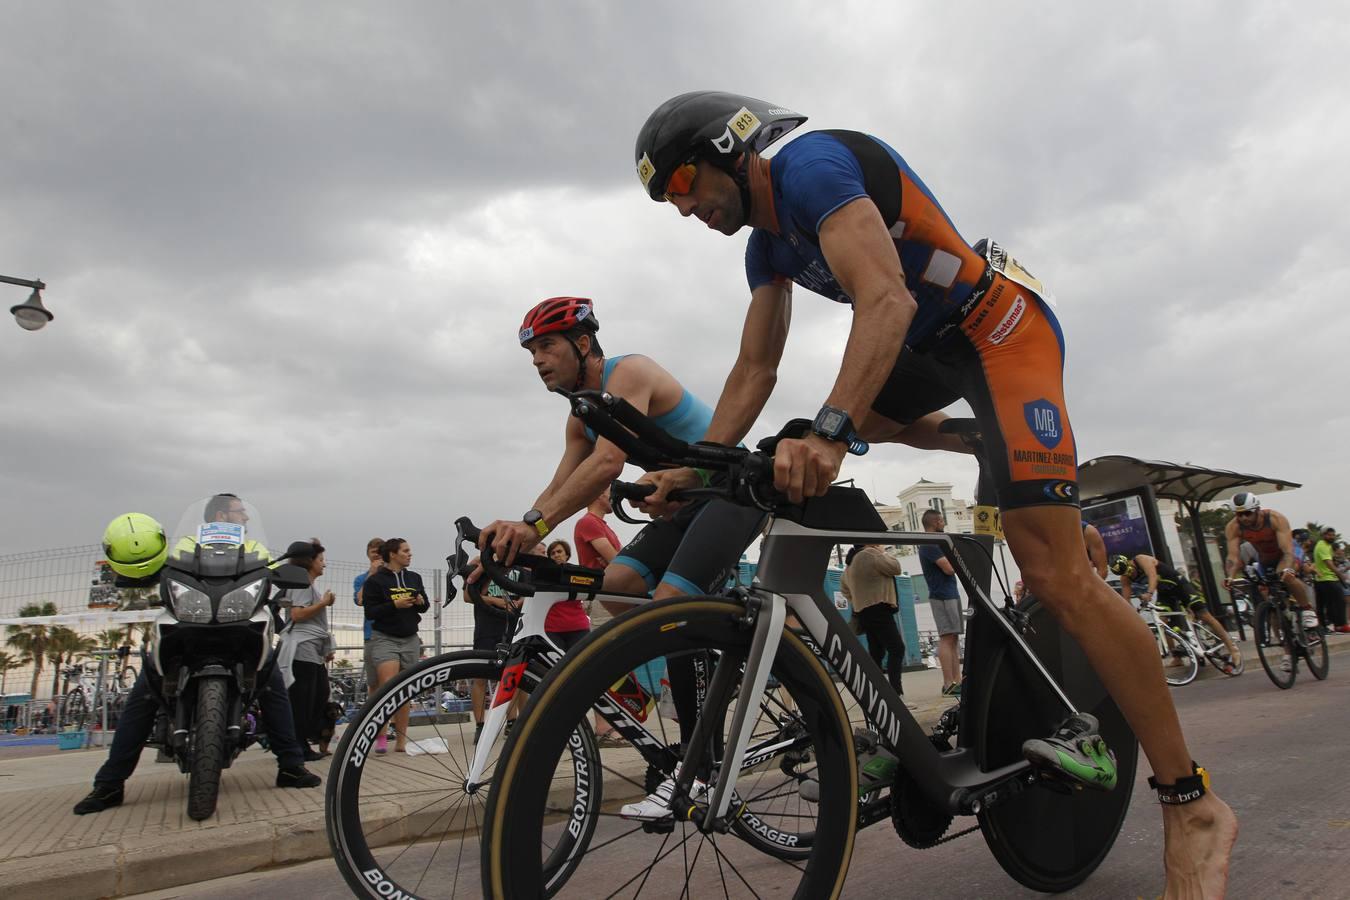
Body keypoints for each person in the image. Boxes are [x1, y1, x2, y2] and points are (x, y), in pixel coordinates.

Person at [632, 91, 1236, 895]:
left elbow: (886, 299)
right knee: (809, 432)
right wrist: (696, 466)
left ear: (727, 147)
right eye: (666, 202)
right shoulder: (765, 251)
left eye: (681, 184)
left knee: (1055, 575)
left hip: (998, 331)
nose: (684, 208)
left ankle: (1190, 802)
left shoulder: (811, 169)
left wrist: (833, 432)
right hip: (929, 351)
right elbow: (755, 370)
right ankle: (981, 442)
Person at [473, 297, 771, 819]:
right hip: (683, 507)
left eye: (546, 346)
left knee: (672, 604)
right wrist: (521, 534)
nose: (538, 360)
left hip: (731, 491)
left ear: (582, 343)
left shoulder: (627, 373)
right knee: (615, 584)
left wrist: (532, 526)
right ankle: (708, 650)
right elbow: (562, 484)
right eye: (532, 352)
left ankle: (700, 769)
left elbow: (608, 463)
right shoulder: (578, 416)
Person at [75, 498, 320, 814]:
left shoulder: (254, 549)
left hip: (237, 622)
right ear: (221, 516)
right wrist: (147, 572)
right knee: (147, 687)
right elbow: (165, 566)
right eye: (238, 511)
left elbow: (270, 571)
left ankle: (290, 766)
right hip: (189, 623)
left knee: (269, 679)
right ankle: (109, 785)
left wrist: (285, 571)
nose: (244, 516)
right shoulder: (185, 546)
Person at [1111, 554, 1242, 672]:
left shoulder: (1141, 559)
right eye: (1126, 573)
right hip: (1165, 592)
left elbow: (1152, 576)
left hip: (1179, 584)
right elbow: (1126, 599)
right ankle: (1177, 657)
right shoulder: (1125, 578)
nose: (1131, 574)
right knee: (1163, 621)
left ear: (1129, 562)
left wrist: (1149, 593)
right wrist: (1131, 613)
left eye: (1130, 570)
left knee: (1203, 614)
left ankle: (1232, 648)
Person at [362, 538, 429, 754]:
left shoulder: (414, 577)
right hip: (385, 638)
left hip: (410, 638)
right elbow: (370, 612)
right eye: (406, 551)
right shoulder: (376, 581)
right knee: (387, 688)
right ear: (392, 554)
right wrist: (394, 604)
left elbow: (425, 606)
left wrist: (420, 602)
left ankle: (401, 742)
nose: (410, 554)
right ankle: (381, 737)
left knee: (406, 691)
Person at [277, 539, 337, 760]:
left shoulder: (308, 585)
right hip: (302, 650)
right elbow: (297, 615)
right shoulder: (301, 585)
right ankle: (298, 745)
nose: (324, 564)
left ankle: (304, 741)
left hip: (312, 650)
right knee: (302, 700)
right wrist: (323, 603)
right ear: (310, 562)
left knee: (318, 695)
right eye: (321, 559)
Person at [1223, 493, 1316, 631]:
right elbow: (1233, 556)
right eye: (1239, 514)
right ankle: (1287, 640)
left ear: (1257, 509)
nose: (1244, 518)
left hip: (1287, 553)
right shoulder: (1233, 527)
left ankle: (1307, 610)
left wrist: (1288, 569)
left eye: (1248, 513)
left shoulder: (1275, 518)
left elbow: (1287, 551)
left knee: (1285, 576)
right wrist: (1230, 576)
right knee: (1266, 592)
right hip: (1266, 557)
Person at [841, 544, 914, 709]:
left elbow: (844, 588)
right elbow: (895, 567)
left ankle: (877, 695)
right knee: (897, 648)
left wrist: (858, 598)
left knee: (877, 653)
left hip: (864, 613)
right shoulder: (871, 554)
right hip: (879, 608)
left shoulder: (850, 563)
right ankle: (896, 695)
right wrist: (883, 552)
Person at [919, 510, 963, 695]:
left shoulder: (933, 544)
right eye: (942, 520)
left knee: (953, 637)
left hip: (948, 593)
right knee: (947, 637)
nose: (944, 523)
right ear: (936, 522)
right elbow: (949, 568)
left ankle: (957, 680)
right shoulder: (930, 544)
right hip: (942, 595)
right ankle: (948, 683)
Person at [352, 537, 384, 696]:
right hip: (371, 635)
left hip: (393, 633)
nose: (377, 555)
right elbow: (360, 600)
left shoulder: (393, 575)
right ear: (368, 555)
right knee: (374, 683)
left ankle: (393, 720)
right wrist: (371, 574)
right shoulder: (360, 579)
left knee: (393, 682)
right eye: (373, 552)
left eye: (380, 552)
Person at [1313, 527, 1349, 632]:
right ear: (1323, 535)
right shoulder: (1322, 546)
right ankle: (1340, 625)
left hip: (1324, 579)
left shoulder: (1327, 546)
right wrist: (1340, 574)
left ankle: (1325, 626)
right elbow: (1328, 563)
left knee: (1327, 603)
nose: (1331, 537)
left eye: (1333, 535)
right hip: (1327, 578)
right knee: (1339, 602)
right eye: (1329, 535)